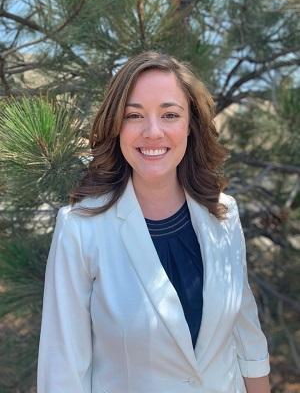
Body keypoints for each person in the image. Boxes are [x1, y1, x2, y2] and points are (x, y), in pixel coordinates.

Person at [37, 51, 271, 393]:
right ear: (116, 126)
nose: (153, 131)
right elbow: (63, 372)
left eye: (170, 114)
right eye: (134, 115)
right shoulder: (80, 229)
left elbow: (246, 334)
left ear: (190, 125)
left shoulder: (224, 214)